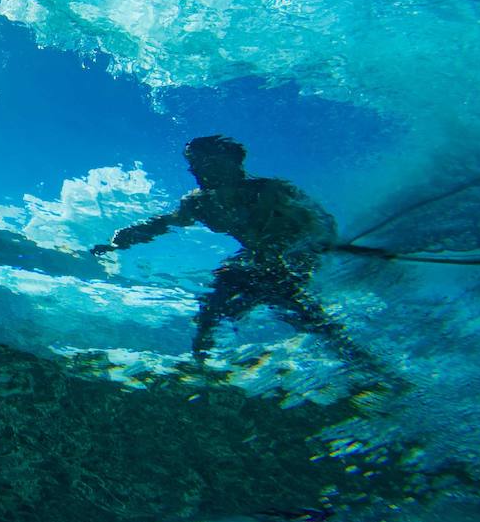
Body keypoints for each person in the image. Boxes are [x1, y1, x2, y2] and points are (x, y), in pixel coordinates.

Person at [92, 136, 359, 365]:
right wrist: (117, 243)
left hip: (296, 257)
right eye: (193, 164)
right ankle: (201, 362)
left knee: (284, 300)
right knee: (216, 298)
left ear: (233, 163)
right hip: (258, 260)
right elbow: (162, 223)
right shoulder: (199, 203)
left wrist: (314, 245)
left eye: (205, 162)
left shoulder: (272, 190)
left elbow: (321, 221)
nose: (196, 171)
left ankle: (354, 356)